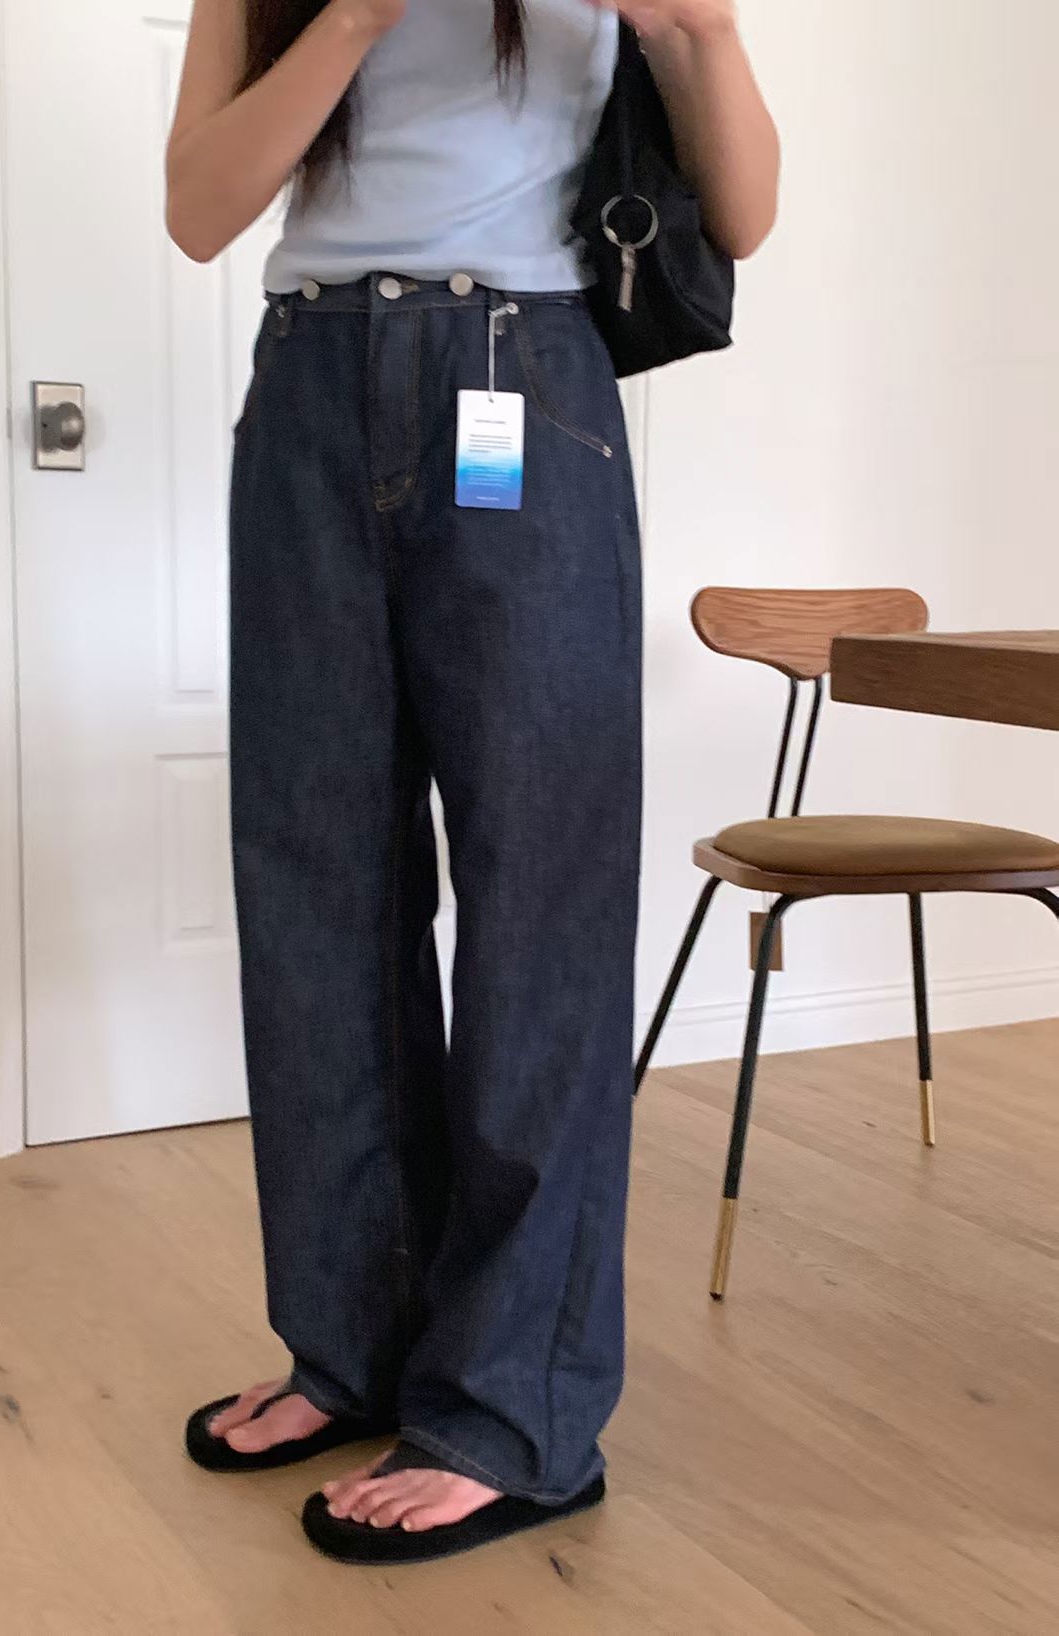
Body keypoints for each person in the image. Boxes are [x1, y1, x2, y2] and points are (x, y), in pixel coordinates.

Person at [167, 0, 778, 1566]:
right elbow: (200, 209)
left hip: (524, 375)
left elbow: (745, 213)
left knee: (536, 909)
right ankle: (353, 1345)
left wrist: (696, 29)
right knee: (315, 884)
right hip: (309, 388)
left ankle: (515, 1412)